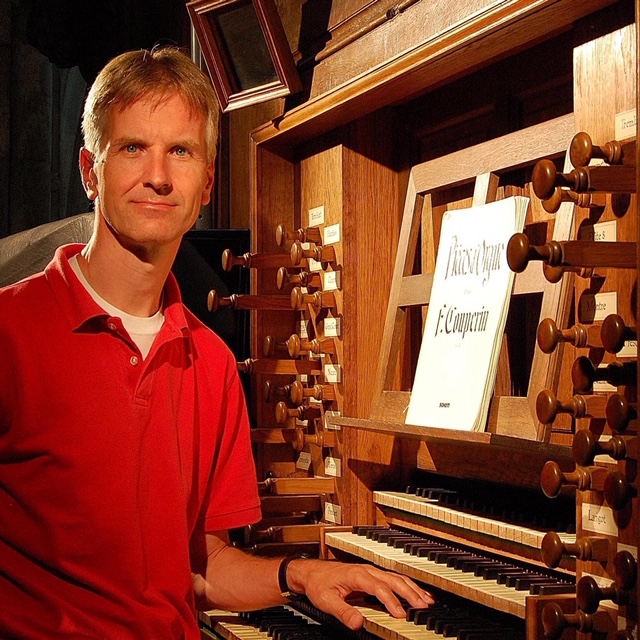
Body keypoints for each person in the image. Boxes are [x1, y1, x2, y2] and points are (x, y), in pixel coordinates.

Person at [0, 46, 434, 638]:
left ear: (206, 183)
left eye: (180, 151)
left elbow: (203, 567)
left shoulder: (210, 360)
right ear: (89, 173)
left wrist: (300, 574)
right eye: (133, 148)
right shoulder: (11, 329)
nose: (158, 175)